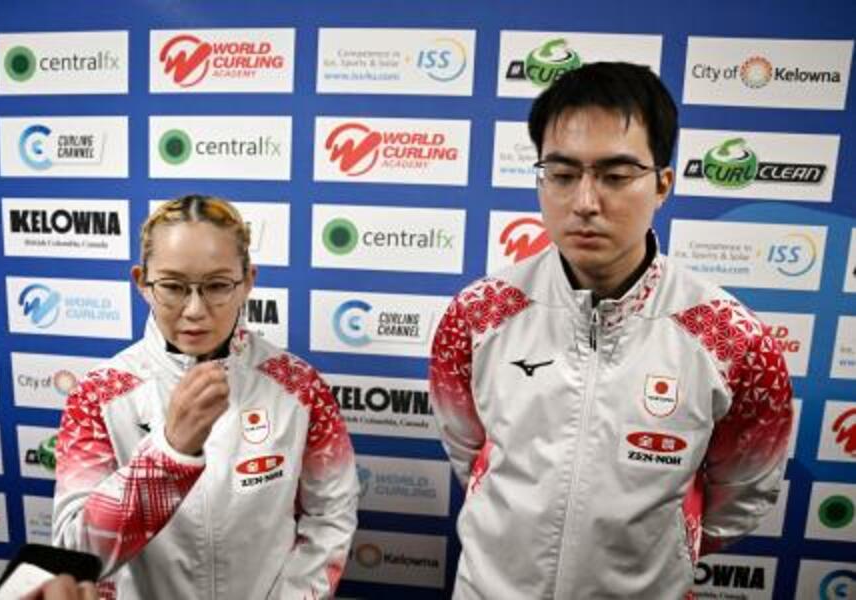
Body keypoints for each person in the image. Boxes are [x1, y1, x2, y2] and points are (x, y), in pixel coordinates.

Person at [429, 62, 792, 599]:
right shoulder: (477, 315)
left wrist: (665, 548)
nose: (585, 202)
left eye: (616, 176)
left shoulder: (734, 340)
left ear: (662, 184)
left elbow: (741, 494)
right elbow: (468, 453)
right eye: (562, 174)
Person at [53, 195, 359, 599]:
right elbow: (75, 555)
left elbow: (331, 515)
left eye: (216, 286)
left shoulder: (300, 388)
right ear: (142, 282)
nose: (195, 310)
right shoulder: (98, 394)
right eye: (173, 286)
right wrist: (169, 453)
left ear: (247, 281)